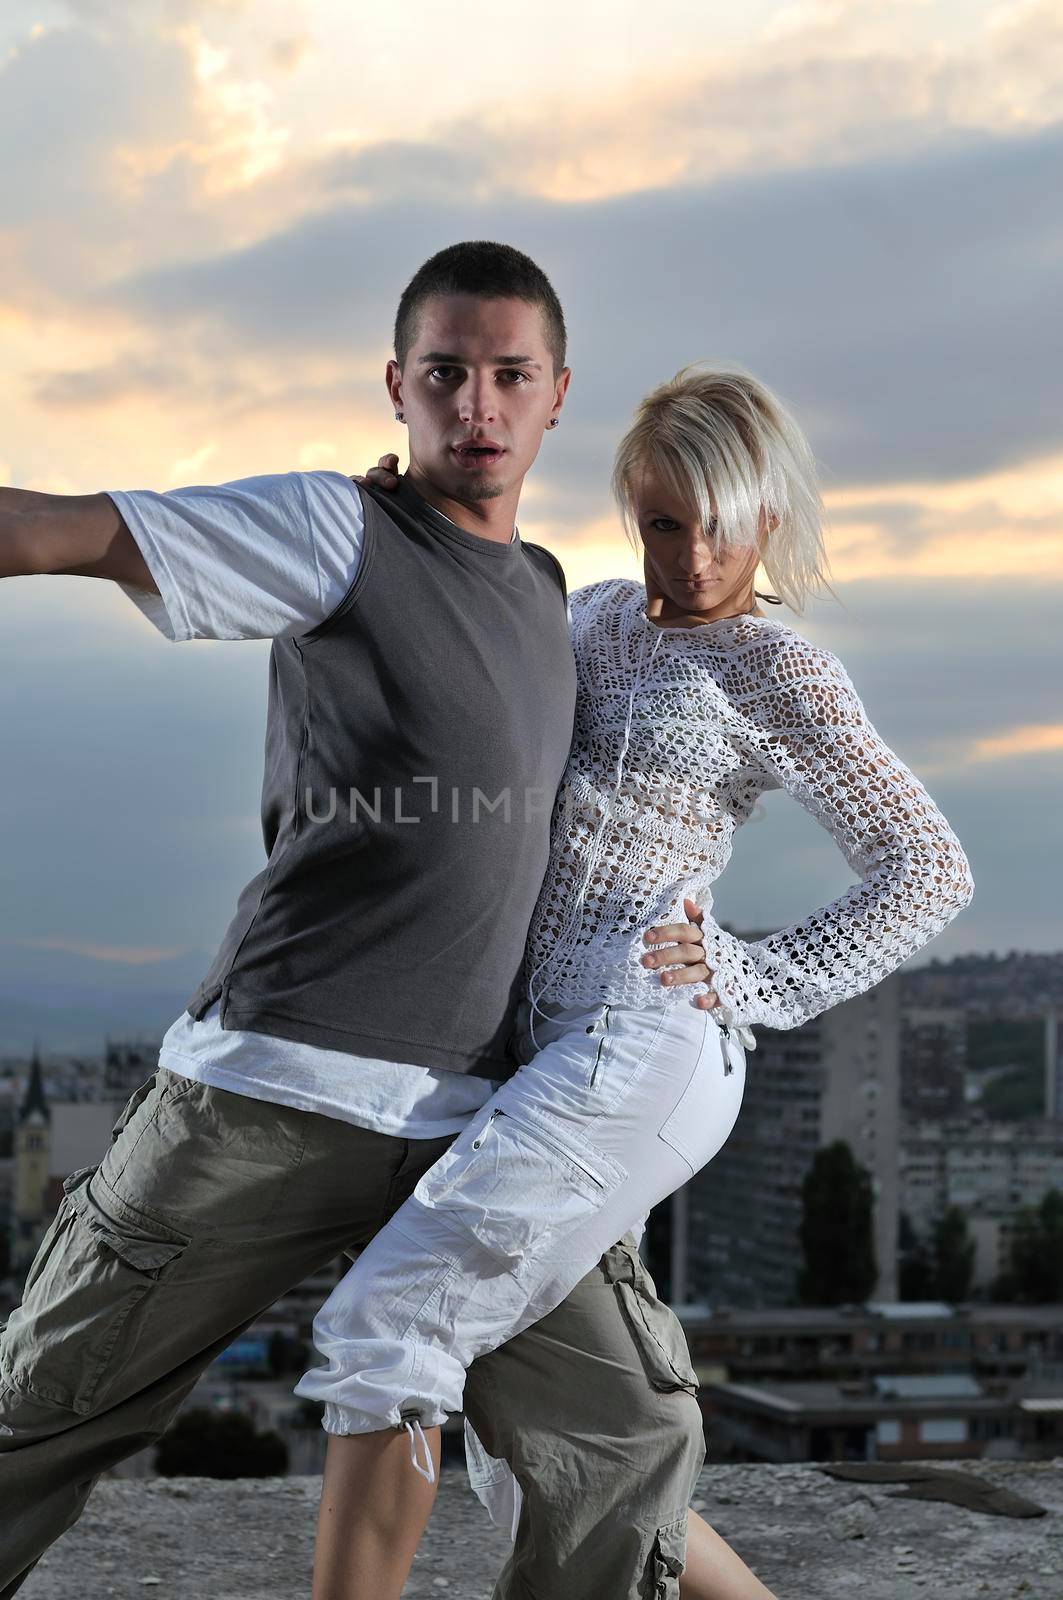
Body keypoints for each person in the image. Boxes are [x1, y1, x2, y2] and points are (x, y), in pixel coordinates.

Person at [0, 242, 717, 1600]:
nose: (477, 407)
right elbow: (68, 528)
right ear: (399, 385)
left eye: (508, 376)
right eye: (445, 374)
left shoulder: (549, 592)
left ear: (556, 393)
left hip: (475, 1130)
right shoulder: (334, 529)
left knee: (622, 1439)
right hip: (267, 1098)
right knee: (41, 1416)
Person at [291, 362, 976, 1600]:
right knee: (541, 1423)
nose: (696, 554)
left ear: (768, 515)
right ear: (633, 514)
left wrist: (754, 969)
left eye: (724, 520)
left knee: (386, 1323)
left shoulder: (780, 669)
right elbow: (469, 669)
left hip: (643, 1044)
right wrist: (402, 530)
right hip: (543, 1046)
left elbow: (927, 866)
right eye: (666, 520)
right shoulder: (594, 614)